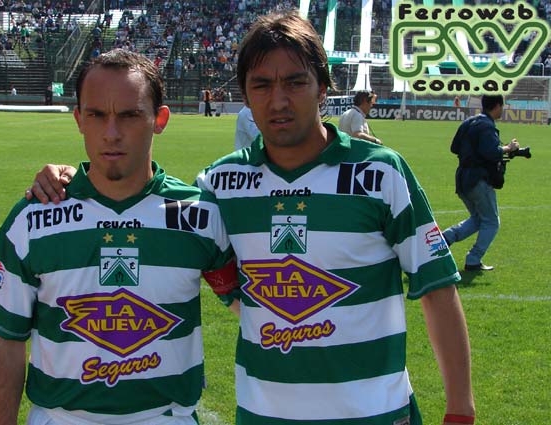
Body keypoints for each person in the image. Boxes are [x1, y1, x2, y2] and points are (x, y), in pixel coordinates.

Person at [28, 12, 475, 425]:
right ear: (245, 95)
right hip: (263, 415)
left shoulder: (379, 173)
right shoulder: (219, 186)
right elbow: (162, 223)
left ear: (323, 88)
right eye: (261, 85)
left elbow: (436, 286)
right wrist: (69, 179)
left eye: (295, 82)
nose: (278, 100)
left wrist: (460, 409)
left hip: (374, 412)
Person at [0, 49, 238, 425]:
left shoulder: (200, 215)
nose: (111, 133)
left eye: (129, 115)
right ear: (79, 119)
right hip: (59, 419)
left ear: (159, 119)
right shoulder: (34, 217)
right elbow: (5, 339)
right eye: (96, 115)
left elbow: (254, 307)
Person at [442, 95, 519, 271]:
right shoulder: (487, 126)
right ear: (497, 106)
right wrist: (509, 148)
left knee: (478, 219)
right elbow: (491, 152)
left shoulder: (469, 122)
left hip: (462, 178)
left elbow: (454, 148)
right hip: (478, 179)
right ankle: (473, 259)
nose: (502, 110)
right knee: (491, 222)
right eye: (502, 106)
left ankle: (445, 238)